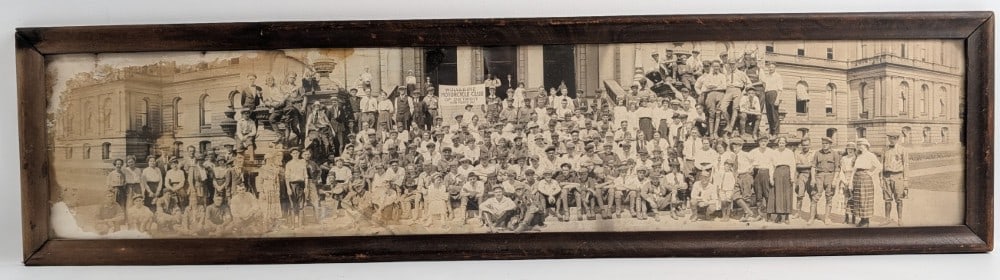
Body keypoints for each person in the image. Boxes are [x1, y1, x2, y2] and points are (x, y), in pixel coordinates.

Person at [850, 139, 883, 227]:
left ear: (865, 146)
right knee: (859, 199)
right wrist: (850, 182)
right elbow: (854, 169)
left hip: (866, 179)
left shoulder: (870, 155)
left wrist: (871, 173)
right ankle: (862, 219)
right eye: (858, 145)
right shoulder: (858, 155)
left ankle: (866, 220)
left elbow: (879, 167)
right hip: (857, 178)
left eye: (861, 145)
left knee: (865, 199)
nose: (859, 146)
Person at [810, 137, 841, 224]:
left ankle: (827, 218)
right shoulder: (817, 153)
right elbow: (813, 166)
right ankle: (812, 217)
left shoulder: (835, 154)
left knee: (829, 197)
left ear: (830, 144)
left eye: (826, 144)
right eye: (823, 143)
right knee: (815, 197)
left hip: (830, 176)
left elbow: (837, 168)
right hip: (819, 176)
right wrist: (812, 178)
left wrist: (835, 180)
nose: (824, 145)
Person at [881, 133, 909, 226]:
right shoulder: (885, 149)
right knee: (887, 199)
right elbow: (881, 164)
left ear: (897, 139)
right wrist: (881, 178)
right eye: (890, 138)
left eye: (893, 138)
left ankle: (900, 219)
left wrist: (906, 180)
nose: (891, 140)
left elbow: (906, 165)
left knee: (899, 199)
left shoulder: (902, 150)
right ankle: (887, 218)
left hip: (898, 176)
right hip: (887, 176)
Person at [768, 136, 796, 224]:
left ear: (786, 144)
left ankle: (787, 216)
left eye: (783, 143)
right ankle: (779, 215)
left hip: (787, 172)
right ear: (778, 143)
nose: (781, 144)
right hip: (778, 172)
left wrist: (792, 176)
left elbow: (792, 165)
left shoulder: (790, 152)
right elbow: (771, 166)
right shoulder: (774, 152)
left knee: (787, 194)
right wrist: (771, 178)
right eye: (780, 143)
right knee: (778, 194)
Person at [835, 142, 858, 224]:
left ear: (854, 150)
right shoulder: (843, 158)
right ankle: (846, 218)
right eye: (848, 149)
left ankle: (854, 218)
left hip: (854, 179)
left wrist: (851, 181)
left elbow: (856, 171)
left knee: (854, 199)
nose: (850, 151)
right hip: (844, 179)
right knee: (845, 199)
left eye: (852, 149)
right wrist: (844, 181)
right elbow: (841, 171)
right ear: (846, 150)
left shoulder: (856, 159)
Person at [284, 148, 308, 227]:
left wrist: (306, 187)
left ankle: (300, 224)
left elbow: (305, 176)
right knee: (292, 205)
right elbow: (287, 177)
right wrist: (288, 188)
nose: (295, 155)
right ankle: (293, 224)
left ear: (299, 153)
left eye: (297, 153)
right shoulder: (289, 164)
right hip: (292, 185)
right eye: (293, 153)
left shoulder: (302, 162)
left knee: (301, 205)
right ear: (291, 154)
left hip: (301, 184)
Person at [759, 62, 784, 136]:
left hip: (774, 94)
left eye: (772, 67)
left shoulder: (778, 76)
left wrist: (777, 99)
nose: (771, 68)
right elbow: (764, 84)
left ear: (775, 68)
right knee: (769, 114)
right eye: (769, 67)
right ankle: (771, 132)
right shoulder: (767, 76)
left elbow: (780, 89)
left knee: (774, 114)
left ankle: (776, 133)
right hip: (767, 94)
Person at [794, 138, 816, 218]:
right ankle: (798, 213)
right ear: (801, 145)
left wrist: (806, 166)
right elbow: (797, 166)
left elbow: (815, 166)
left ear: (810, 145)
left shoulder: (814, 153)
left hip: (811, 175)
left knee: (813, 195)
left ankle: (814, 214)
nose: (805, 146)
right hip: (802, 175)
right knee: (800, 195)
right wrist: (810, 165)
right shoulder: (798, 153)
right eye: (803, 145)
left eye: (807, 145)